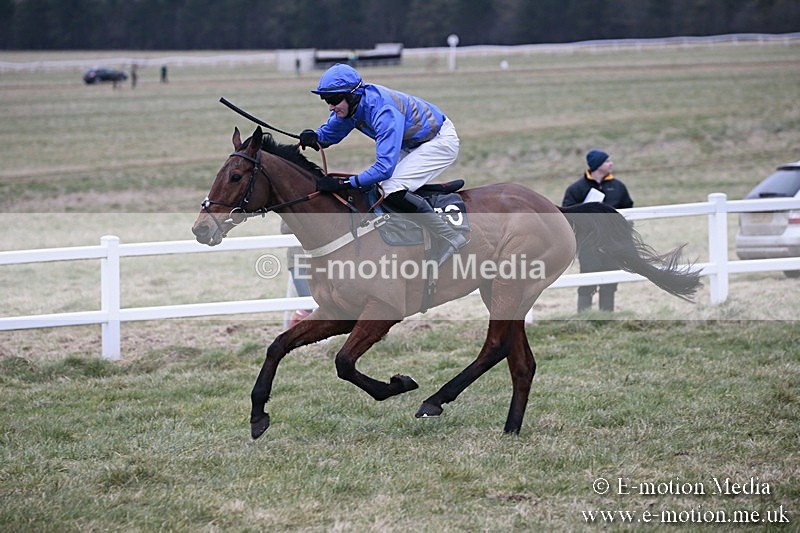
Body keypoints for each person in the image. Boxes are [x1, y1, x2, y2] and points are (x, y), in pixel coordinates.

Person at [297, 63, 468, 266]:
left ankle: (449, 237)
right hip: (413, 144)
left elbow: (384, 169)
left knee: (389, 187)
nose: (330, 107)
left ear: (352, 96)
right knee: (378, 187)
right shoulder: (353, 108)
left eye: (334, 100)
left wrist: (344, 184)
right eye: (326, 100)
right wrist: (314, 137)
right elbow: (329, 135)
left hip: (438, 141)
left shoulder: (383, 111)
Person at [562, 149, 634, 312]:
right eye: (607, 161)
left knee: (610, 282)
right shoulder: (576, 189)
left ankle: (606, 316)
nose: (611, 163)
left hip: (613, 244)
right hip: (588, 245)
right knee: (588, 281)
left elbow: (628, 211)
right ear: (597, 166)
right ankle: (584, 316)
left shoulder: (618, 187)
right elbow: (567, 215)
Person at [281, 220, 313, 327]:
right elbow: (284, 229)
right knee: (307, 302)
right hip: (297, 260)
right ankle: (295, 328)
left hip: (320, 260)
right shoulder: (290, 206)